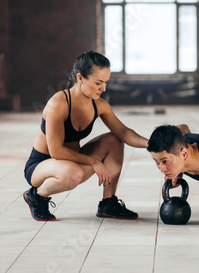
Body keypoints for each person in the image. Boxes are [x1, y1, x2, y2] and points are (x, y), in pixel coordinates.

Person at [23, 51, 149, 221]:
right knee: (73, 173)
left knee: (114, 140)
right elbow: (57, 152)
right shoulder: (58, 104)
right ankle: (36, 196)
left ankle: (108, 203)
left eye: (105, 83)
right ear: (80, 78)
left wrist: (153, 144)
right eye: (98, 83)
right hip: (41, 166)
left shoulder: (99, 105)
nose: (103, 88)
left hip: (73, 163)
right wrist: (94, 162)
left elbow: (124, 132)